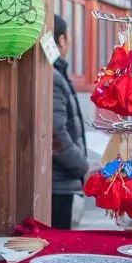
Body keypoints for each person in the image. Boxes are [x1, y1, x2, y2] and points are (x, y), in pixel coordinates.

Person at [51, 14, 89, 229]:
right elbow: (56, 132)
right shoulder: (53, 77)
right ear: (62, 40)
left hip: (60, 181)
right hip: (58, 183)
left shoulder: (56, 73)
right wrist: (80, 165)